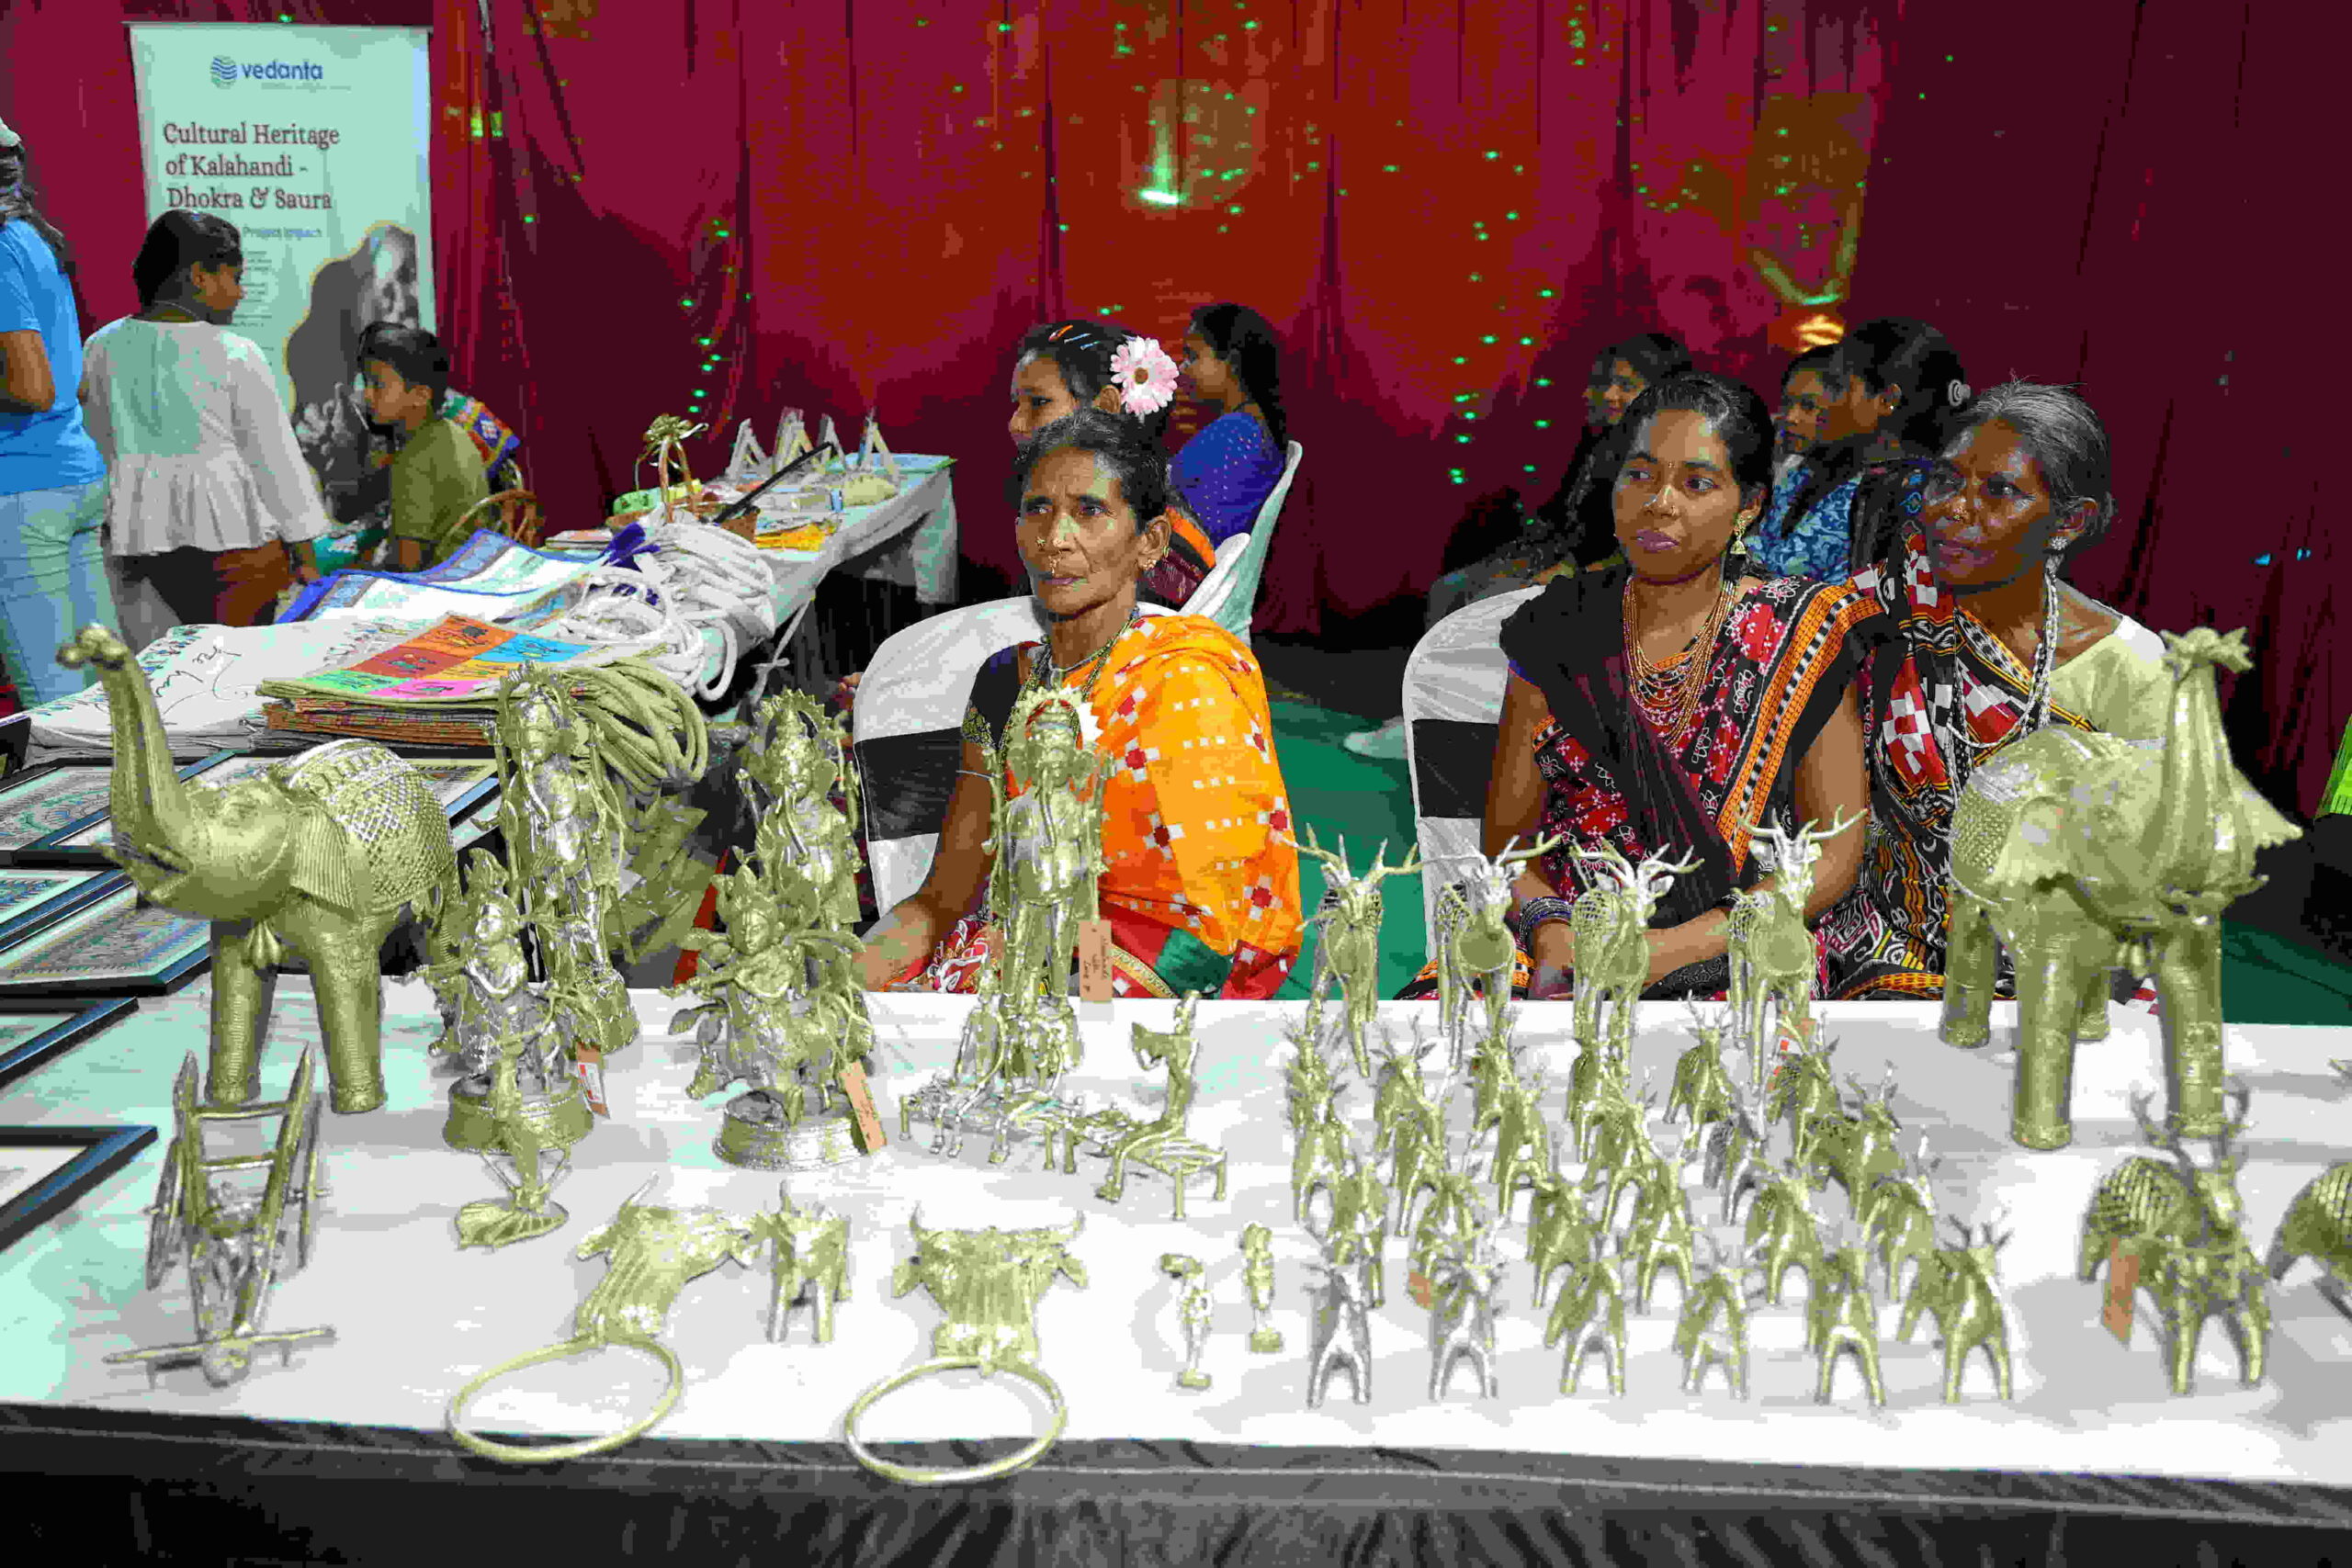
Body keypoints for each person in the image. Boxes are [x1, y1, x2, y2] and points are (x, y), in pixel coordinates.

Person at [1400, 371, 1881, 1002]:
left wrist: (1670, 950)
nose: (1660, 502)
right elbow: (1511, 847)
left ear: (1749, 505)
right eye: (1640, 475)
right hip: (1572, 937)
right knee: (1448, 1028)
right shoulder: (1558, 627)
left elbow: (1832, 856)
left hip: (1737, 946)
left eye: (1697, 483)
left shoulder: (1798, 631)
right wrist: (1551, 928)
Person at [858, 408, 1304, 1000]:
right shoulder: (1004, 682)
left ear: (1149, 542)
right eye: (1038, 509)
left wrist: (1056, 1010)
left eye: (1089, 511)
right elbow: (941, 901)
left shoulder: (1184, 682)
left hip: (1142, 989)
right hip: (1007, 965)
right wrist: (845, 975)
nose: (1055, 538)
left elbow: (1202, 939)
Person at [1822, 381, 2172, 1000]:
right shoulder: (1884, 617)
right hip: (1883, 949)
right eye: (1946, 480)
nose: (1954, 509)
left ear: (2069, 522)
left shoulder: (2131, 667)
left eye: (1999, 491)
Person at [1347, 332, 1691, 760]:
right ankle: (1426, 711)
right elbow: (1564, 518)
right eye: (1604, 383)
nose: (1607, 395)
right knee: (1450, 589)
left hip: (1612, 582)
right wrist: (1520, 553)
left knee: (1488, 605)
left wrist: (1563, 572)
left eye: (1625, 384)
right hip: (1563, 559)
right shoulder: (1603, 442)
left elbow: (1640, 547)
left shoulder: (1659, 460)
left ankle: (1452, 733)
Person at [84, 210, 327, 649]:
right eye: (235, 277)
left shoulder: (99, 346)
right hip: (235, 547)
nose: (241, 292)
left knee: (162, 669)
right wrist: (306, 556)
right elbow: (275, 460)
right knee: (235, 668)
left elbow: (98, 444)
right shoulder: (235, 353)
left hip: (134, 543)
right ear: (199, 276)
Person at [0, 118, 117, 706]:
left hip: (22, 490)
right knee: (104, 694)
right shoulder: (28, 237)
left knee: (56, 709)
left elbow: (32, 387)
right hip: (68, 477)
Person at [1008, 318, 1216, 606]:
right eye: (1016, 404)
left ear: (1105, 407)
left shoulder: (1141, 546)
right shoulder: (1127, 500)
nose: (1015, 424)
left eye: (1039, 403)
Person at [1748, 317, 1967, 582]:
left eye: (1842, 388)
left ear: (1887, 400)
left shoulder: (1911, 490)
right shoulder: (1877, 479)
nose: (1831, 402)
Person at [362, 325, 490, 571]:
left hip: (441, 577)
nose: (367, 394)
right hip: (475, 563)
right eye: (366, 382)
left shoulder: (412, 460)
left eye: (378, 385)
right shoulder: (455, 431)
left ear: (420, 396)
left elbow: (409, 564)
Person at [1171, 302, 1290, 547]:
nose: (1183, 368)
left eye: (1193, 356)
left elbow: (1203, 531)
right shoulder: (1242, 426)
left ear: (1232, 362)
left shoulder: (1237, 434)